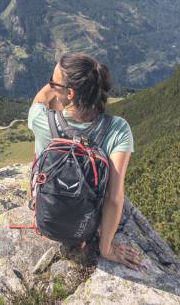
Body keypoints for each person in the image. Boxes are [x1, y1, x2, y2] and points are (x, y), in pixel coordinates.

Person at [29, 53, 142, 269]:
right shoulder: (118, 130)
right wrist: (106, 248)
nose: (51, 86)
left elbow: (40, 100)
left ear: (70, 93)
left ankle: (35, 199)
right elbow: (114, 198)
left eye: (54, 83)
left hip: (46, 218)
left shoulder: (40, 119)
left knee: (39, 156)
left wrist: (55, 86)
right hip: (89, 226)